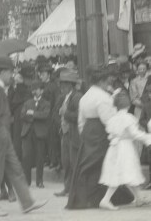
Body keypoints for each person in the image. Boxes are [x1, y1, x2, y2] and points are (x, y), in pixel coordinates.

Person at [0, 57, 47, 217]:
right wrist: (0, 131)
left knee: (15, 169)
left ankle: (27, 202)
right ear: (2, 72)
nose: (12, 75)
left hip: (2, 135)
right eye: (10, 71)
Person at [67, 64, 134, 209]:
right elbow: (108, 120)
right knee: (103, 164)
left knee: (87, 165)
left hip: (87, 132)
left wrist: (84, 135)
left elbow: (80, 121)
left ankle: (85, 198)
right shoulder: (103, 98)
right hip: (100, 132)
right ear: (101, 81)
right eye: (106, 82)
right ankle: (102, 197)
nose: (108, 84)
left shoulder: (85, 97)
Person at [99, 92, 151, 210]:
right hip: (125, 148)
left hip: (114, 147)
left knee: (129, 173)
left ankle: (139, 199)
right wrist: (148, 138)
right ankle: (105, 200)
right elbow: (134, 134)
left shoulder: (114, 118)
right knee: (123, 172)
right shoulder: (127, 118)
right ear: (128, 105)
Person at [54, 69, 81, 197]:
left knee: (73, 161)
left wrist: (65, 114)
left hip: (73, 133)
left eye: (64, 84)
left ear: (70, 84)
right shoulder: (65, 97)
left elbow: (78, 116)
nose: (61, 86)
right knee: (66, 161)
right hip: (65, 133)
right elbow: (57, 113)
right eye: (61, 84)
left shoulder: (77, 97)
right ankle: (67, 187)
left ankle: (74, 188)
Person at [20, 82, 50, 188]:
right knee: (26, 156)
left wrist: (32, 113)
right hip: (27, 132)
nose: (35, 91)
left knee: (40, 157)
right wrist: (35, 115)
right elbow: (22, 115)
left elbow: (45, 115)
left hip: (39, 133)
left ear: (42, 91)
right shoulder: (28, 102)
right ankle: (26, 181)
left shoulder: (46, 103)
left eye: (37, 89)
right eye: (34, 89)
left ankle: (39, 181)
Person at [8, 64, 34, 162]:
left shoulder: (15, 89)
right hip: (23, 116)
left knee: (18, 140)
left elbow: (11, 103)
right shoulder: (25, 90)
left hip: (17, 118)